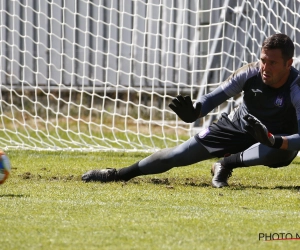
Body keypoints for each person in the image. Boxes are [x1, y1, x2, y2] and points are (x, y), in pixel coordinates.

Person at [82, 33, 300, 188]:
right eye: (263, 60)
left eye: (272, 63)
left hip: (276, 141)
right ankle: (117, 175)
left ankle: (225, 163)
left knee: (276, 149)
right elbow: (214, 97)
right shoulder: (249, 73)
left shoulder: (296, 88)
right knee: (178, 154)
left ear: (288, 63)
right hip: (238, 125)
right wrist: (195, 111)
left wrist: (274, 140)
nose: (265, 68)